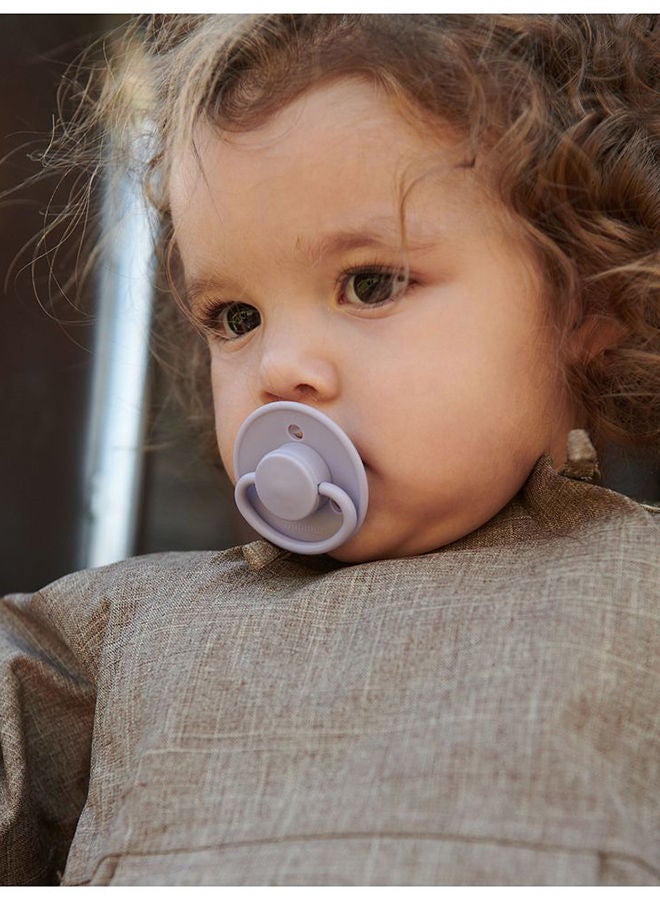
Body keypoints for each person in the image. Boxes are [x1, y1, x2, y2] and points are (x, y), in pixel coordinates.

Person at [1, 13, 658, 886]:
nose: (279, 367)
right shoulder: (125, 631)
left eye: (370, 283)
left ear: (586, 302)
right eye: (236, 317)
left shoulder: (636, 596)